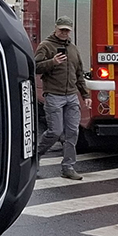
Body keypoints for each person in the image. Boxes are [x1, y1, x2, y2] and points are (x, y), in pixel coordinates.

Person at [34, 16, 90, 181]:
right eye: (62, 30)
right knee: (55, 131)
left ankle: (68, 167)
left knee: (73, 132)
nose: (64, 33)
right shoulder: (46, 46)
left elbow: (79, 73)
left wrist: (85, 94)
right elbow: (35, 67)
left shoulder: (73, 49)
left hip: (72, 96)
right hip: (54, 95)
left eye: (67, 30)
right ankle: (35, 156)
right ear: (56, 28)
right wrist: (53, 62)